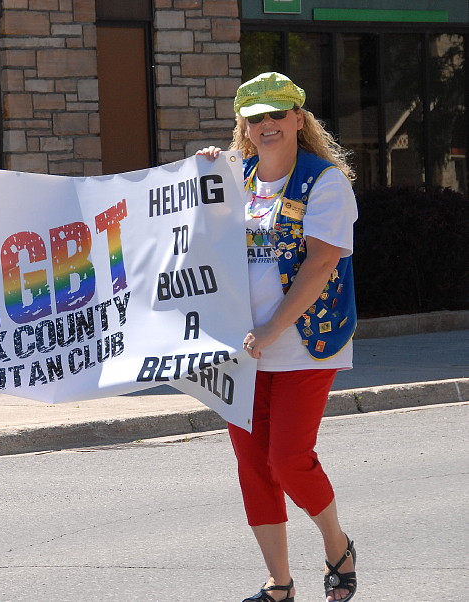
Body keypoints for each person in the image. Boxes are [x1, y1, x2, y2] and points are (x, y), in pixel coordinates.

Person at [198, 72, 359, 602]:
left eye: (277, 115)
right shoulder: (234, 177)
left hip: (305, 341)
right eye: (256, 117)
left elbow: (322, 262)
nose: (267, 125)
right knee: (252, 465)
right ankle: (279, 583)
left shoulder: (325, 181)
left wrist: (271, 327)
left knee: (288, 458)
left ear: (297, 120)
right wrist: (194, 177)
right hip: (242, 349)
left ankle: (337, 546)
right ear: (243, 126)